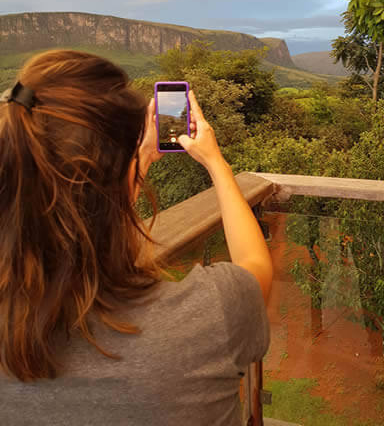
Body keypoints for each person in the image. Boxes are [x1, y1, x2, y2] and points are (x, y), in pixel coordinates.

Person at [0, 49, 273, 426]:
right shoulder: (213, 311)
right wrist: (216, 163)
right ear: (122, 180)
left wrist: (134, 163)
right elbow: (255, 268)